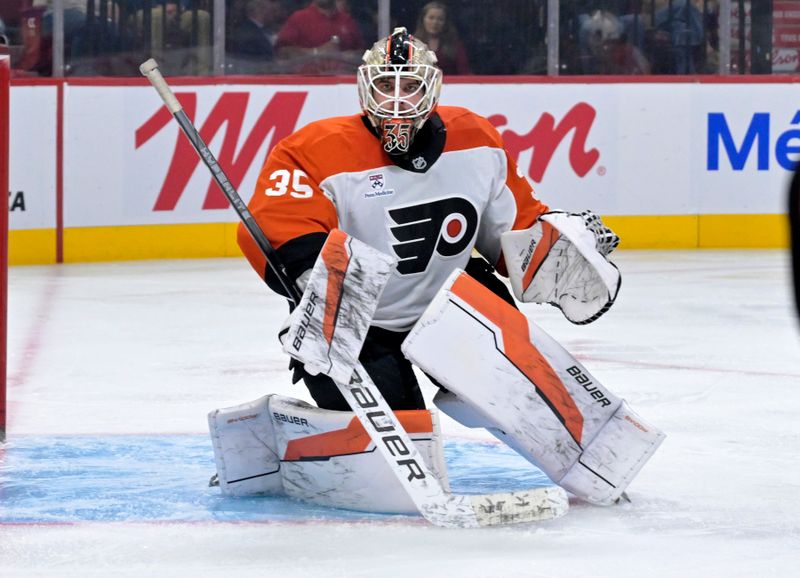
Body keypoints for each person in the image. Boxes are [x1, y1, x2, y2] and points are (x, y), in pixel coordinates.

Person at [238, 27, 616, 411]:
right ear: (366, 88)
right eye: (386, 84)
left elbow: (512, 232)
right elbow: (281, 221)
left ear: (431, 89)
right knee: (400, 436)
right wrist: (312, 275)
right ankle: (285, 446)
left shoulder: (476, 138)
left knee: (528, 401)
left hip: (449, 310)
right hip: (356, 325)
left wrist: (557, 252)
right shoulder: (313, 149)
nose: (398, 99)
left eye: (411, 86)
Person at [274, 0, 364, 74]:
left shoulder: (347, 21)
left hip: (343, 83)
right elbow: (282, 52)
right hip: (308, 82)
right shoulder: (299, 18)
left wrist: (347, 56)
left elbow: (361, 54)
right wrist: (317, 52)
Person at [412, 1, 469, 75]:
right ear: (423, 20)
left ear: (445, 22)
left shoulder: (455, 45)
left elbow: (464, 72)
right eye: (431, 18)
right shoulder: (412, 43)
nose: (435, 22)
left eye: (440, 19)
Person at [228, 0, 282, 74]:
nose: (274, 15)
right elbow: (254, 62)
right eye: (271, 10)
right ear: (261, 10)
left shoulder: (259, 30)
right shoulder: (248, 33)